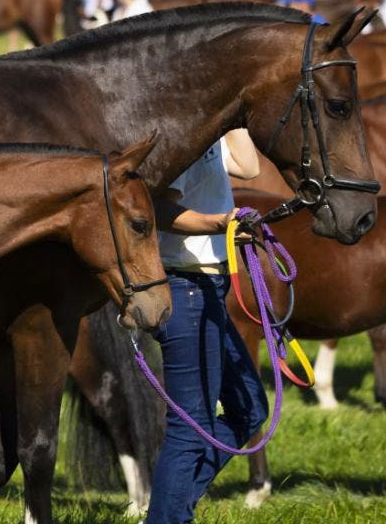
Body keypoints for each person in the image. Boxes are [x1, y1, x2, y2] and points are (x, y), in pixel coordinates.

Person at [147, 129, 267, 524]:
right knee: (190, 426)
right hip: (186, 286)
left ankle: (171, 509)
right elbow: (160, 211)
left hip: (208, 287)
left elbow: (249, 168)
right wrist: (221, 223)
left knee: (249, 405)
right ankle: (167, 516)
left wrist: (234, 118)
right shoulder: (186, 140)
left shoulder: (212, 136)